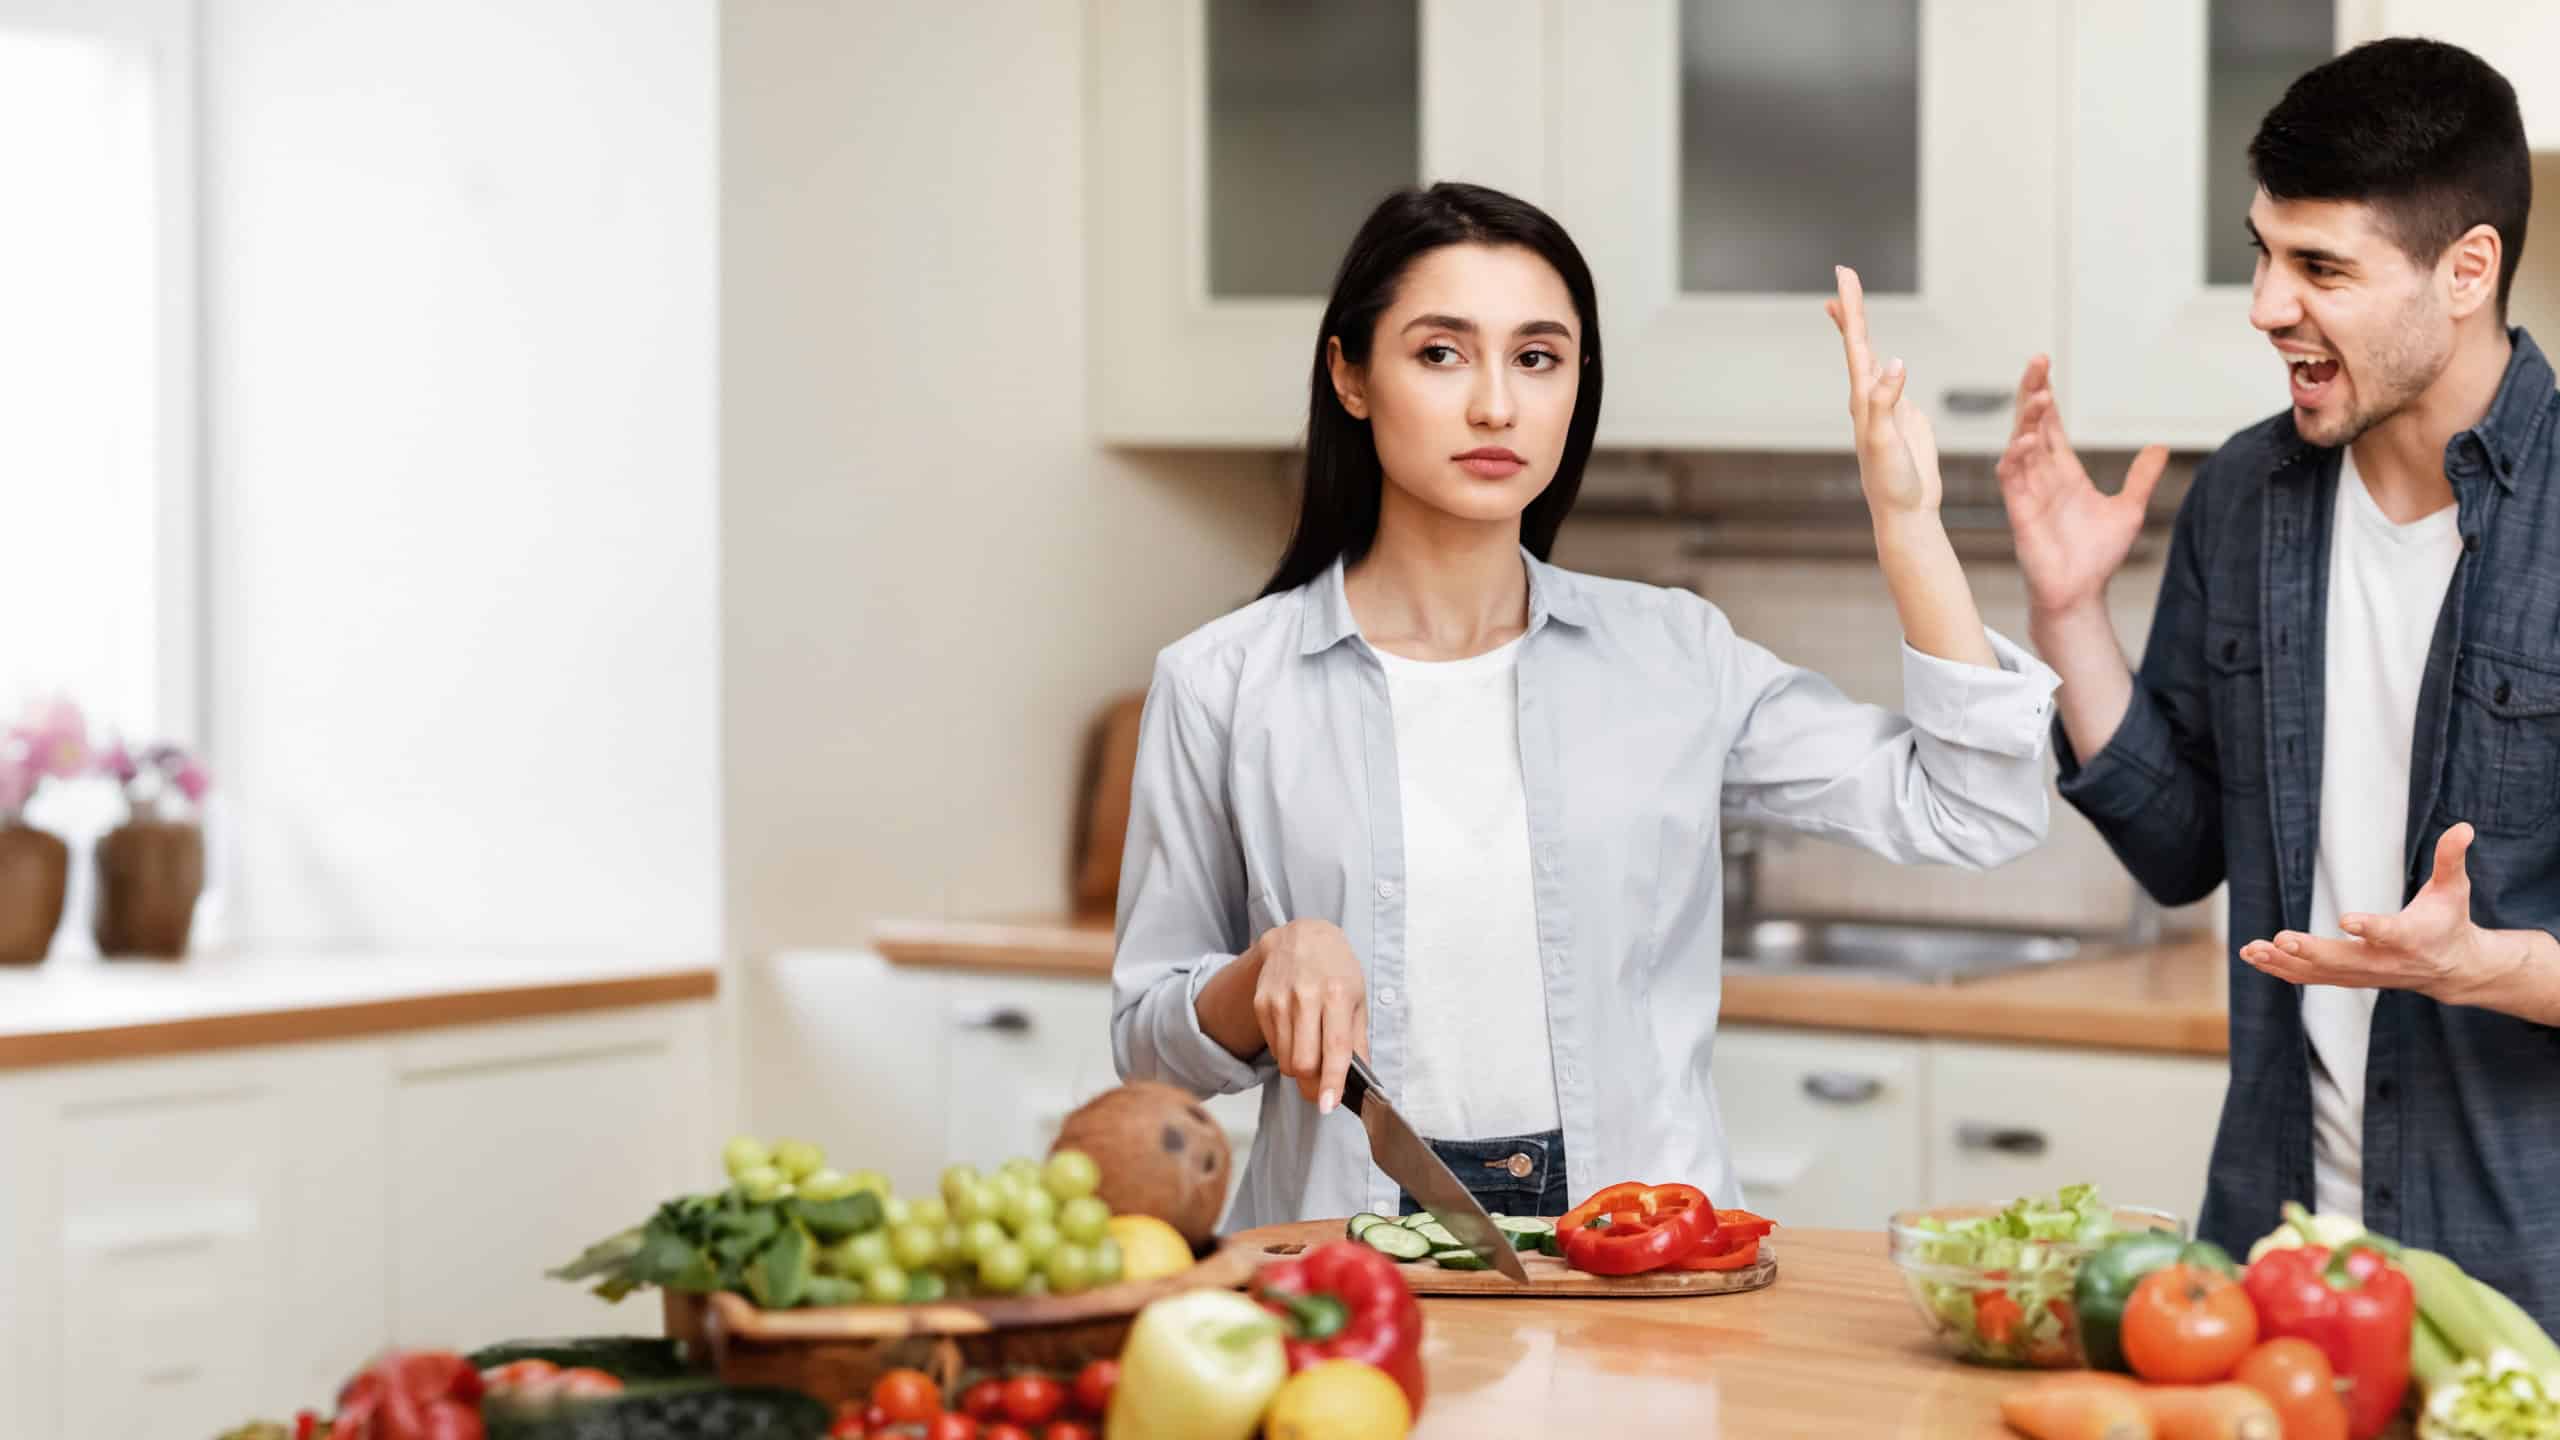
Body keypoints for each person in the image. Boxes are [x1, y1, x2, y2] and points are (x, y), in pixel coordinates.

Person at [1110, 180, 2060, 1229]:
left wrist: (1908, 521)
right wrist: (1263, 970)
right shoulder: (1221, 683)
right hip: (1348, 1250)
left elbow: (1975, 808)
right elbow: (1150, 1048)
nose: (1495, 406)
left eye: (1537, 358)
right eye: (1441, 353)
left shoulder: (1675, 655)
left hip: (1646, 1250)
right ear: (1351, 375)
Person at [2000, 38, 2560, 1324]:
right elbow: (2178, 848)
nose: (2264, 304)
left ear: (2465, 270)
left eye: (2320, 267)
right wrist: (2067, 611)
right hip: (2272, 1255)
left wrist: (2487, 966)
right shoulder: (2246, 497)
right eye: (2261, 252)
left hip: (2522, 1288)